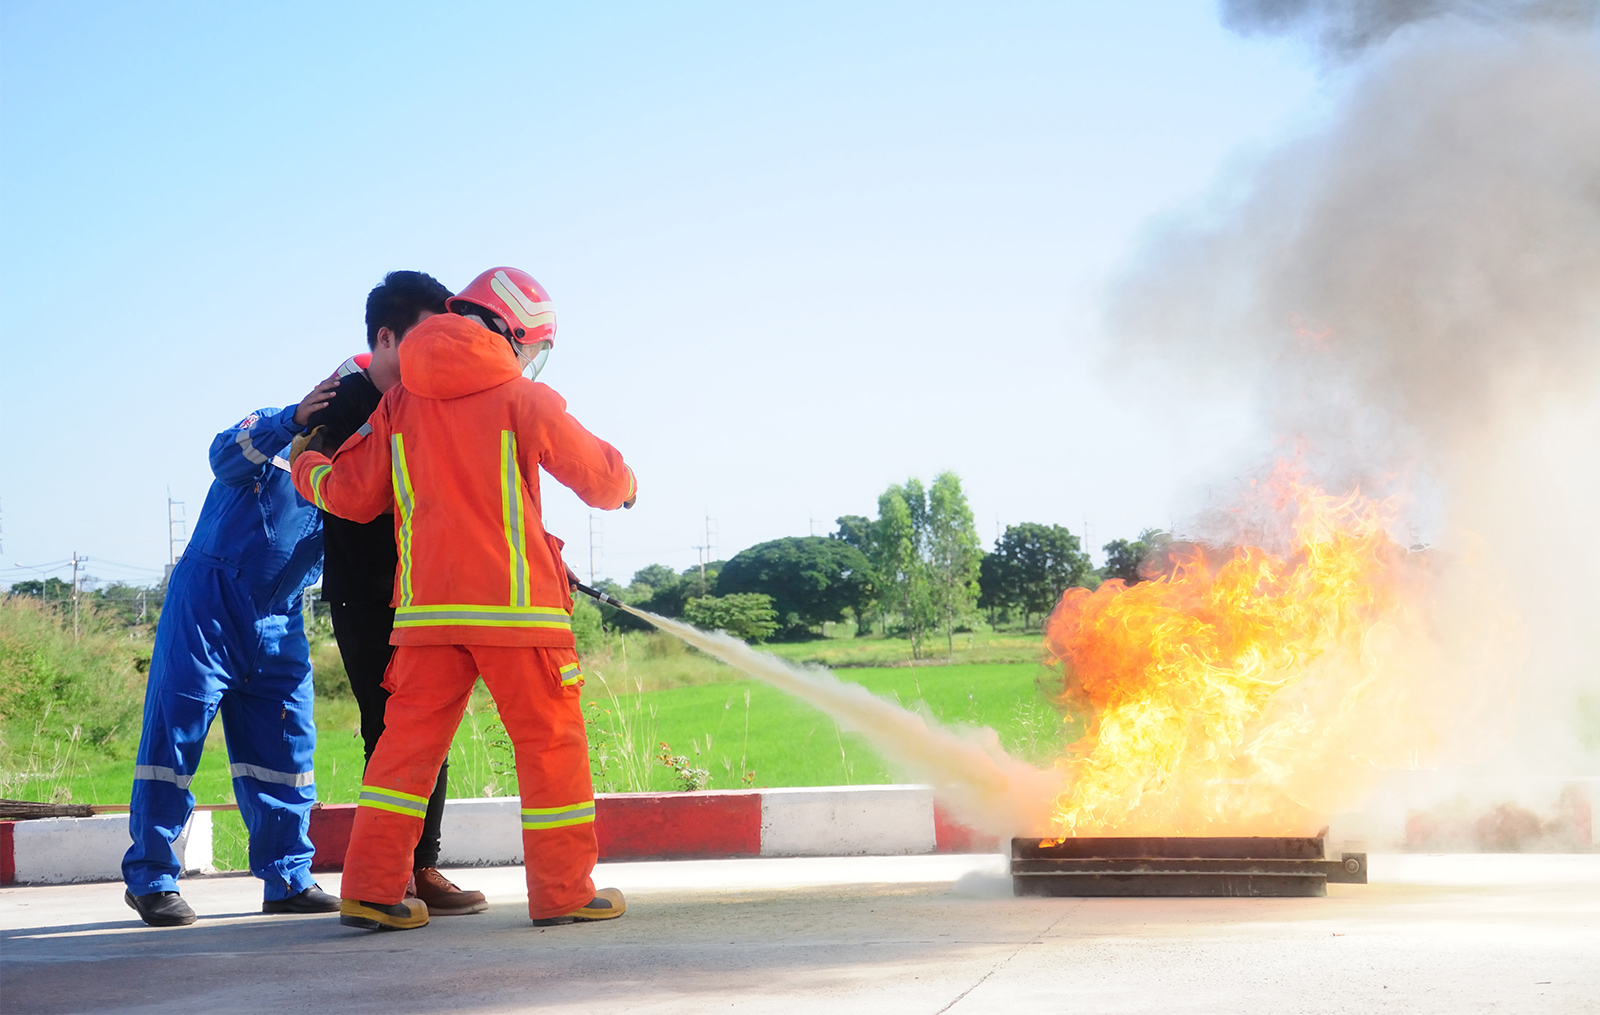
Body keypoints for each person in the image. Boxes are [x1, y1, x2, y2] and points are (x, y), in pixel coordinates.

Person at [291, 266, 636, 931]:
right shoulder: (523, 400)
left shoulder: (401, 403)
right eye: (534, 347)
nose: (531, 360)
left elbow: (355, 495)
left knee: (403, 753)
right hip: (519, 614)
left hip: (426, 617)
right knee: (549, 747)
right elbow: (599, 478)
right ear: (511, 332)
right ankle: (563, 889)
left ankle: (370, 889)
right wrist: (628, 485)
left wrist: (308, 466)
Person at [122, 378, 342, 926]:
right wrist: (291, 421)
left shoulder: (357, 462)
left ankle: (288, 877)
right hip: (207, 607)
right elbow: (223, 456)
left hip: (281, 615)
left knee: (287, 747)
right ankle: (152, 878)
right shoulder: (275, 427)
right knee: (174, 738)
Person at [306, 270, 486, 916]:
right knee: (388, 729)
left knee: (431, 728)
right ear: (385, 338)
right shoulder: (342, 402)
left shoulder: (426, 400)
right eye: (423, 337)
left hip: (427, 594)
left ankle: (424, 864)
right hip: (363, 593)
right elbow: (329, 481)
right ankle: (391, 873)